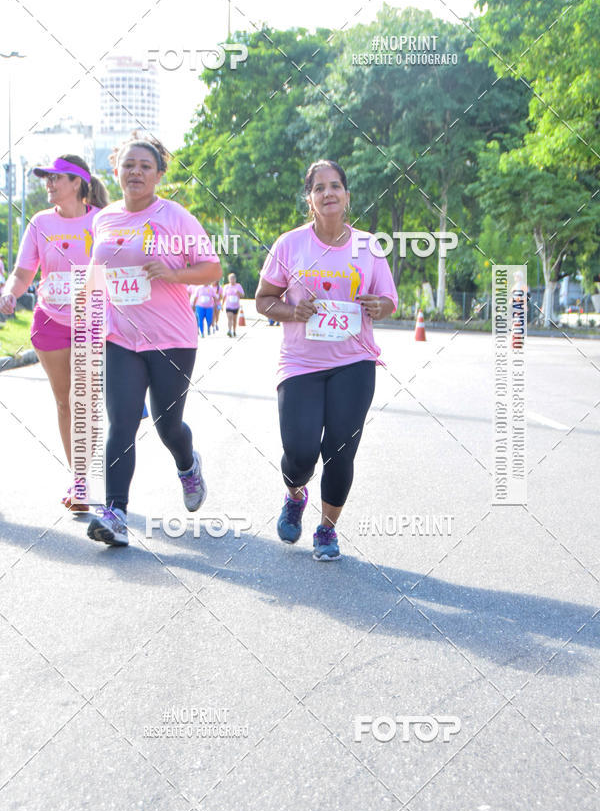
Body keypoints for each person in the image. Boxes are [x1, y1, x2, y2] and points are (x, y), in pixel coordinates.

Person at [255, 159, 397, 561]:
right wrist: (292, 311)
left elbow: (389, 300)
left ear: (347, 196)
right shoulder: (290, 244)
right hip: (300, 362)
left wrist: (379, 305)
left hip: (354, 361)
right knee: (299, 451)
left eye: (336, 186)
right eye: (320, 188)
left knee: (340, 450)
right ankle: (295, 494)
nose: (329, 193)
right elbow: (264, 299)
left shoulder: (369, 245)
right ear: (310, 199)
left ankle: (327, 530)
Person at [85, 136, 222, 546]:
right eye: (129, 165)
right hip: (120, 337)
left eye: (146, 166)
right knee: (122, 422)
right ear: (116, 171)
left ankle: (187, 463)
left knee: (167, 424)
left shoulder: (175, 217)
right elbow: (99, 273)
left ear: (159, 174)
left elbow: (212, 268)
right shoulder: (104, 219)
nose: (136, 172)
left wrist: (174, 273)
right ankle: (115, 513)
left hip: (172, 338)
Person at [0, 155, 108, 511]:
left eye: (55, 178)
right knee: (65, 402)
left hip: (92, 320)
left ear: (77, 183)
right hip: (49, 322)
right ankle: (79, 480)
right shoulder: (40, 222)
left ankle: (84, 478)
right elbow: (23, 271)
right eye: (46, 178)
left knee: (86, 403)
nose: (48, 184)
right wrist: (10, 293)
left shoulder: (102, 221)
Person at [223, 272, 244, 337]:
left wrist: (238, 292)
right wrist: (222, 305)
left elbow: (243, 295)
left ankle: (234, 331)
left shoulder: (238, 286)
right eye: (230, 279)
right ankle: (229, 330)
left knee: (234, 320)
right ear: (229, 279)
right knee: (230, 318)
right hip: (228, 306)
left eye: (233, 279)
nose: (232, 280)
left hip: (236, 306)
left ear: (235, 279)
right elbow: (224, 296)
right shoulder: (226, 286)